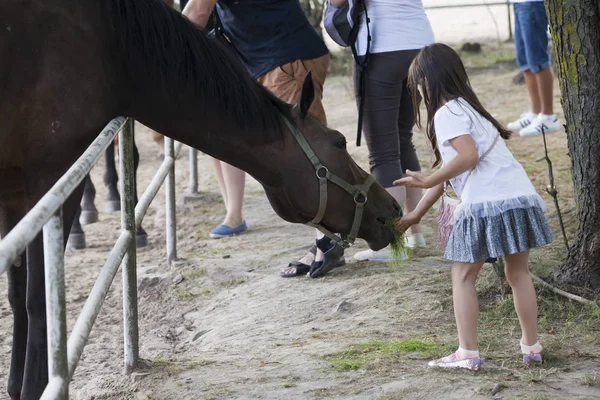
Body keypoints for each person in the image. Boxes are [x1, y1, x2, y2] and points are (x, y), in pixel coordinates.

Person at [395, 43, 553, 370]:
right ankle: (531, 347)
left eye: (418, 84)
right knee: (518, 272)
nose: (420, 92)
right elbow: (445, 178)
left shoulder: (446, 113)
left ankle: (467, 352)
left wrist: (425, 180)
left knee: (463, 277)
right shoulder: (469, 109)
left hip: (485, 204)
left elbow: (468, 157)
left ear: (428, 81)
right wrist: (415, 215)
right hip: (518, 197)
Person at [183, 0, 346, 276]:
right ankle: (326, 240)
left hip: (284, 61)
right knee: (306, 155)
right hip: (285, 56)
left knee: (306, 157)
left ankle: (330, 240)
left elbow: (197, 14)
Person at [328, 0, 435, 263]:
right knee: (402, 139)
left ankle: (392, 242)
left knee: (383, 153)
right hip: (420, 44)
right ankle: (413, 233)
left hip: (381, 47)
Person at [506, 0, 559, 137]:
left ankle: (548, 117)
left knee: (537, 60)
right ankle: (536, 112)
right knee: (524, 61)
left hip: (533, 3)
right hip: (519, 3)